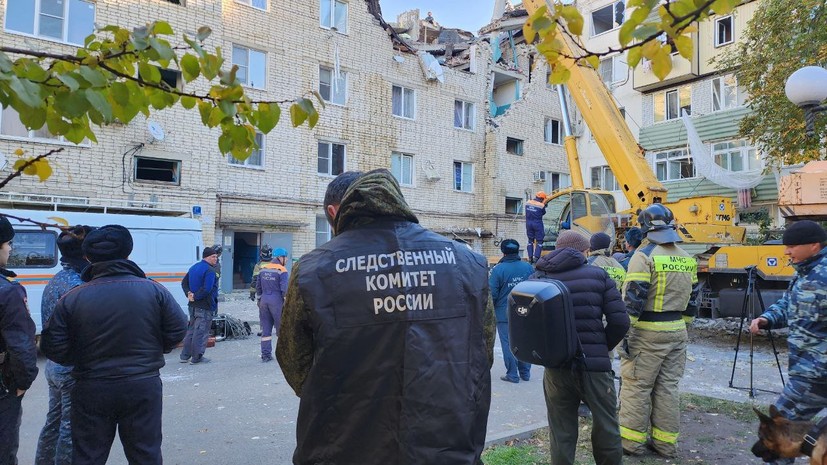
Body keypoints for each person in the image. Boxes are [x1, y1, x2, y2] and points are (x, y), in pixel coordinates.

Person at [276, 169, 495, 464]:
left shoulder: (313, 269)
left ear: (334, 212)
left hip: (344, 443)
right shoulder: (467, 261)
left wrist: (338, 393)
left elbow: (293, 359)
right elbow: (482, 349)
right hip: (447, 440)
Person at [40, 224, 187, 465]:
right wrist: (151, 351)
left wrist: (83, 359)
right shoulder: (154, 290)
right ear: (128, 253)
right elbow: (178, 331)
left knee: (88, 455)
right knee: (145, 454)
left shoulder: (73, 297)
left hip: (90, 387)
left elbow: (53, 346)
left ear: (87, 257)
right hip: (142, 385)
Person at [529, 230, 629, 465]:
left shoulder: (538, 277)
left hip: (556, 367)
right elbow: (621, 322)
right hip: (594, 368)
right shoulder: (599, 275)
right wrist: (601, 347)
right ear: (584, 251)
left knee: (560, 428)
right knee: (606, 426)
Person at [619, 204, 698, 457]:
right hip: (677, 332)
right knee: (667, 388)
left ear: (644, 227)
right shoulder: (687, 257)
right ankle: (665, 445)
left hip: (646, 333)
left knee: (636, 386)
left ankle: (631, 443)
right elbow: (693, 302)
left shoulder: (643, 256)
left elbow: (634, 300)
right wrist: (681, 328)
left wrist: (624, 335)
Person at [749, 220, 827, 465]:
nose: (786, 251)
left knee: (777, 431)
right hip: (808, 370)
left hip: (815, 373)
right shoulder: (804, 273)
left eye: (792, 246)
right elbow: (788, 305)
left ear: (814, 245)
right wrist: (766, 318)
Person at [35, 226, 94, 465]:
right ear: (85, 253)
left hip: (54, 367)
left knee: (54, 421)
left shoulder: (58, 279)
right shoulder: (78, 284)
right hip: (71, 369)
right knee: (71, 429)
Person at [0, 215, 39, 465]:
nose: (10, 249)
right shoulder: (8, 290)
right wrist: (23, 382)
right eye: (8, 244)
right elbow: (20, 344)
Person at [490, 238, 534, 383]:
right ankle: (525, 372)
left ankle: (512, 374)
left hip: (504, 314)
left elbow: (493, 295)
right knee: (525, 341)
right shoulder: (528, 268)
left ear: (503, 252)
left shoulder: (498, 270)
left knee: (508, 343)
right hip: (526, 312)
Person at [180, 247, 219, 364]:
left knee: (191, 330)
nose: (216, 259)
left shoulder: (194, 267)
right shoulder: (210, 271)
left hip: (192, 305)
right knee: (201, 332)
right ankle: (197, 357)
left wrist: (189, 294)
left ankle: (184, 355)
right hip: (205, 305)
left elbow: (184, 283)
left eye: (216, 256)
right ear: (206, 257)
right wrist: (195, 296)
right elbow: (207, 289)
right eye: (213, 257)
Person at [257, 247, 289, 362]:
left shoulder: (263, 268)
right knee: (282, 329)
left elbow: (258, 287)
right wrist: (287, 303)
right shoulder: (282, 270)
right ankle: (285, 355)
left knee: (266, 330)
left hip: (264, 300)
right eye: (286, 257)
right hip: (276, 301)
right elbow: (284, 289)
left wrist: (260, 300)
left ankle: (265, 355)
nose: (287, 260)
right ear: (281, 257)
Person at [525, 191, 547, 264]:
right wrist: (544, 204)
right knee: (539, 241)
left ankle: (530, 257)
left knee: (530, 241)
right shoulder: (541, 205)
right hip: (537, 224)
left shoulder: (528, 202)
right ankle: (536, 258)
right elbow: (543, 213)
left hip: (528, 223)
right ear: (542, 198)